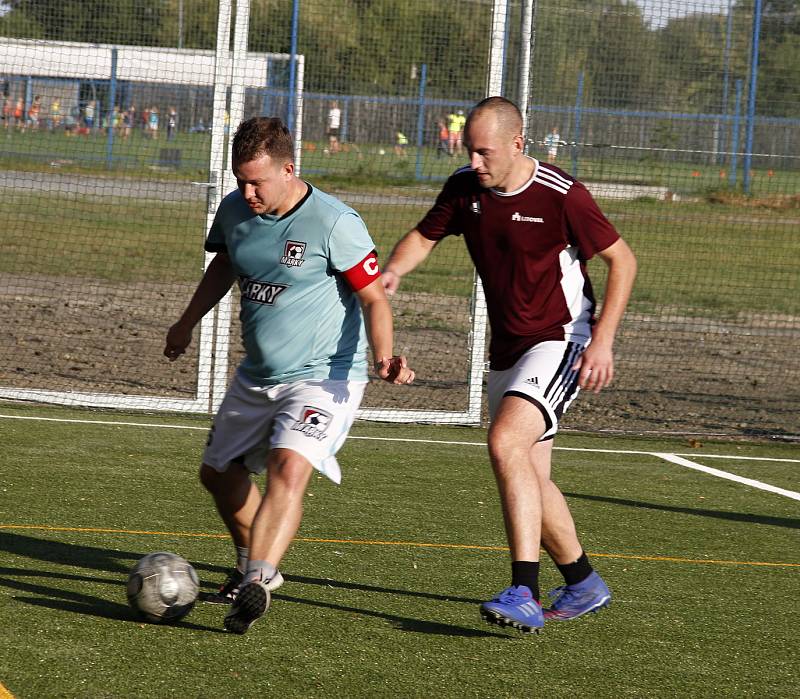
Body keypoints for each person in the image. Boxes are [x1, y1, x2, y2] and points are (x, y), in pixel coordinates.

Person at [381, 97, 636, 633]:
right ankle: (584, 582)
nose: (474, 161)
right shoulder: (465, 187)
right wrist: (395, 271)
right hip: (508, 349)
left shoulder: (561, 195)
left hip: (562, 338)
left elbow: (623, 260)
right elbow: (425, 236)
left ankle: (524, 589)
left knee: (504, 443)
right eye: (469, 150)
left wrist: (604, 340)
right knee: (530, 478)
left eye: (483, 151)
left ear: (518, 144)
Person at [164, 116, 415, 635]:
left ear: (288, 169)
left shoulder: (334, 222)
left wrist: (386, 355)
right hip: (258, 375)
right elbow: (224, 265)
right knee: (218, 476)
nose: (247, 192)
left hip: (326, 376)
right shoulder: (234, 210)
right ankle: (247, 561)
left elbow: (372, 296)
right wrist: (186, 322)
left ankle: (257, 580)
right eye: (240, 180)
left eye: (257, 181)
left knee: (288, 465)